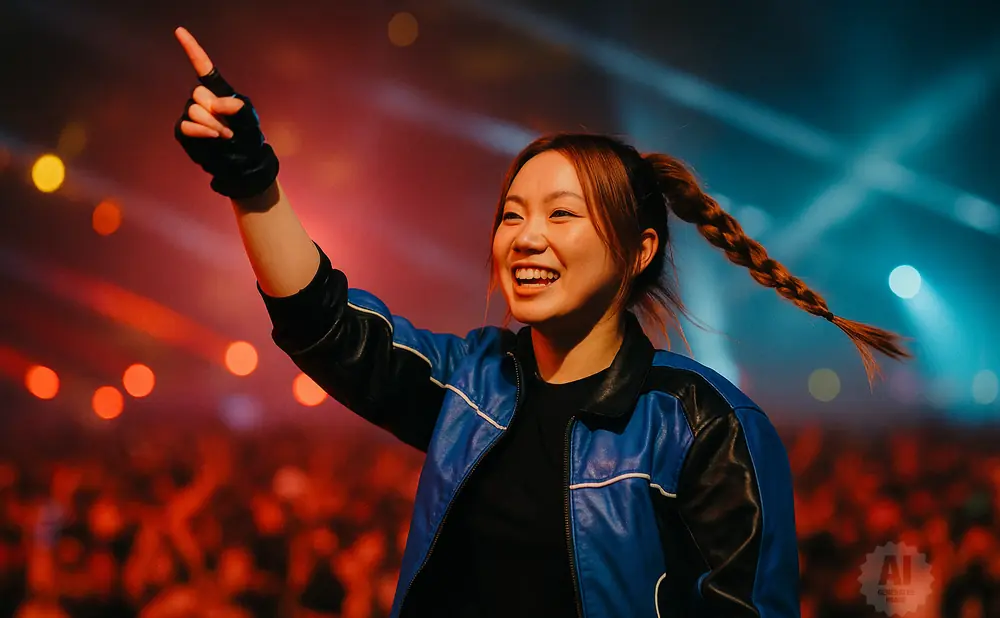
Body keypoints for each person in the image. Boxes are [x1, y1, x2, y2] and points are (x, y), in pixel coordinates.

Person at [171, 27, 909, 618]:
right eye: (512, 216)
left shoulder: (706, 427)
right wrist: (251, 179)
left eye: (562, 214)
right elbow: (323, 323)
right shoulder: (470, 384)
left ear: (636, 250)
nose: (525, 237)